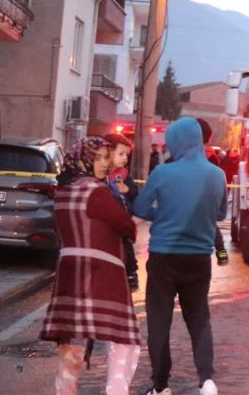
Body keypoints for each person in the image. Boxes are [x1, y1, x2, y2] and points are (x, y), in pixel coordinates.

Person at [40, 136, 142, 395]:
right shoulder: (95, 191)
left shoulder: (63, 190)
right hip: (101, 273)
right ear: (85, 159)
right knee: (123, 342)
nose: (106, 164)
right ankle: (116, 391)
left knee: (70, 346)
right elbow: (127, 227)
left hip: (69, 274)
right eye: (99, 158)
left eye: (108, 157)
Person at [133, 117, 227, 395]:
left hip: (164, 256)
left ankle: (161, 385)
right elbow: (220, 215)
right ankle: (207, 380)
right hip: (199, 257)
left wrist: (161, 214)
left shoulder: (163, 173)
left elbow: (139, 207)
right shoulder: (217, 175)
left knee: (159, 321)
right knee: (199, 318)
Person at [103, 132, 141, 292]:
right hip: (103, 226)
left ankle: (131, 273)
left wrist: (127, 190)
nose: (125, 158)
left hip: (121, 224)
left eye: (126, 154)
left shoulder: (124, 176)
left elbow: (135, 195)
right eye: (121, 154)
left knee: (127, 248)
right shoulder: (99, 174)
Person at [195, 119, 230, 266]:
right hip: (206, 200)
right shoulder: (210, 155)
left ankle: (221, 252)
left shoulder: (178, 157)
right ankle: (222, 253)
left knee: (212, 227)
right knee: (212, 227)